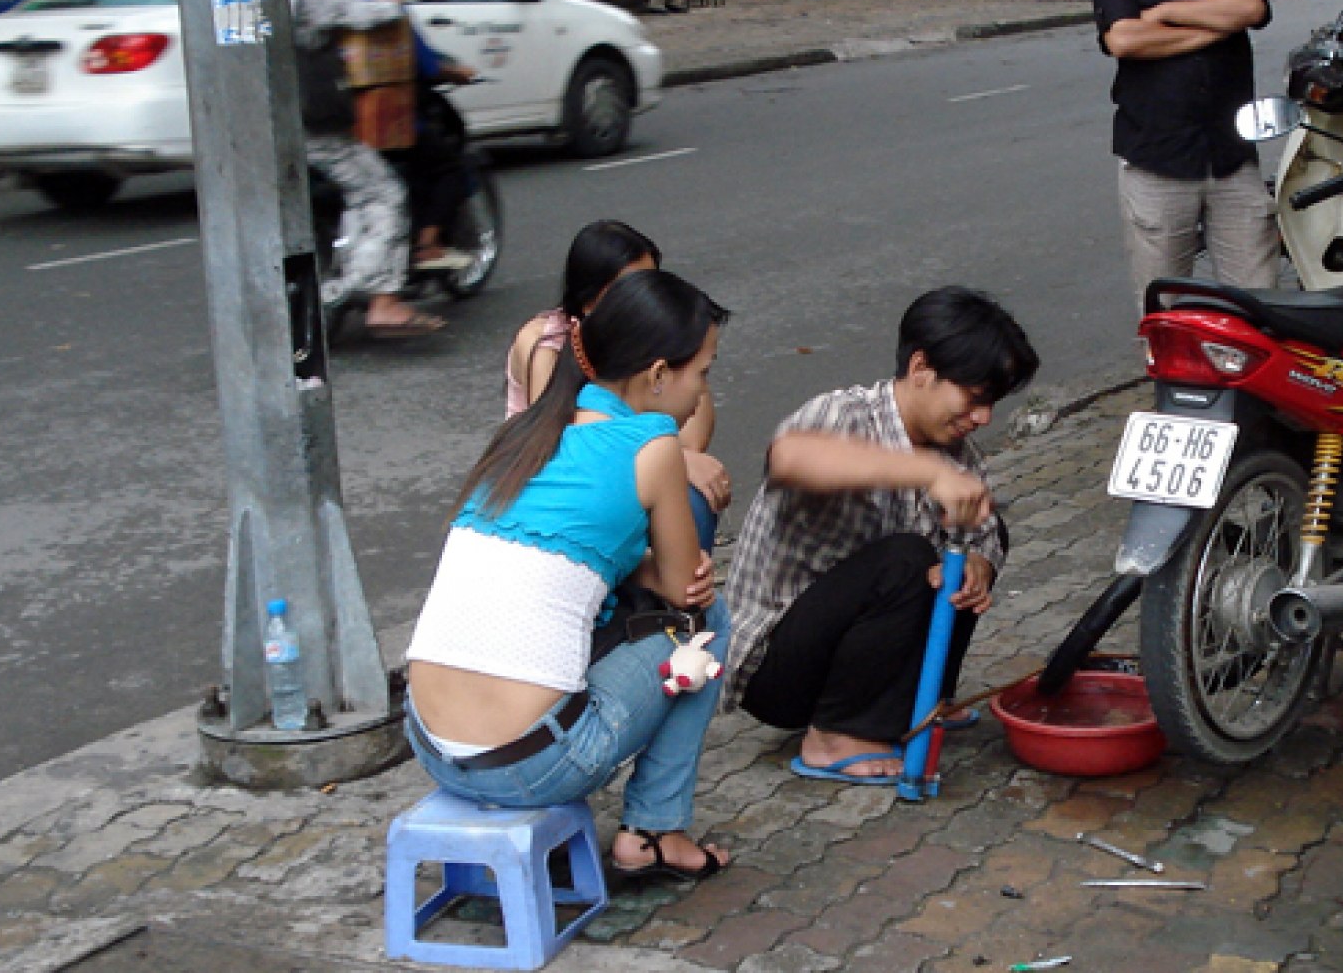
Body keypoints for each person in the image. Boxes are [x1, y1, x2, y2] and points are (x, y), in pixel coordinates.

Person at [405, 270, 733, 883]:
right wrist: (671, 577)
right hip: (533, 765)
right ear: (660, 374)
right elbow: (686, 589)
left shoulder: (524, 435)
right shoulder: (653, 444)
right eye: (704, 372)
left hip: (429, 744)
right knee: (708, 627)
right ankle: (655, 832)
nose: (703, 390)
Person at [720, 287, 1039, 785]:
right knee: (905, 559)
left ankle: (922, 703)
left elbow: (981, 536)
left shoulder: (960, 453)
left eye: (991, 404)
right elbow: (791, 457)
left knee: (976, 538)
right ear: (921, 369)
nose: (983, 419)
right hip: (774, 668)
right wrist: (921, 471)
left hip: (850, 651)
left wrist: (979, 565)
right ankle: (835, 737)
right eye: (975, 399)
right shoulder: (841, 415)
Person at [1093, 0, 1278, 304]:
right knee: (1164, 313)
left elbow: (1251, 7)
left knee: (1258, 308)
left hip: (1232, 155)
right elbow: (1123, 40)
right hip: (1156, 157)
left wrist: (1163, 12)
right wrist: (1215, 26)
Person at [506, 220, 732, 547]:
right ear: (589, 303)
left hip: (622, 469)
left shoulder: (653, 342)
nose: (642, 298)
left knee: (694, 497)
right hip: (562, 488)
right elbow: (561, 447)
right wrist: (677, 461)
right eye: (628, 288)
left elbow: (693, 434)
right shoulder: (544, 344)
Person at [285, 0, 443, 337]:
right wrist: (392, 5)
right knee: (384, 194)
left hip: (260, 136)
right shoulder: (309, 1)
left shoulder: (248, 3)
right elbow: (371, 16)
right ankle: (382, 300)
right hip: (316, 132)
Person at [328, 0, 477, 274]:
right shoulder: (387, 7)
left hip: (336, 123)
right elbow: (425, 64)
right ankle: (428, 244)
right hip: (389, 122)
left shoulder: (327, 3)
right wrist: (456, 72)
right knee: (448, 166)